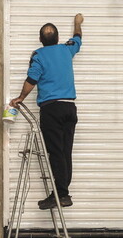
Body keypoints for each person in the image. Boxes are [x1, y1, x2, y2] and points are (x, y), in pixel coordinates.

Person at [10, 13, 84, 210]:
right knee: (65, 152)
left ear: (41, 40)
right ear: (58, 38)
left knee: (56, 152)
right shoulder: (67, 49)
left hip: (52, 109)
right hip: (69, 107)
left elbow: (32, 80)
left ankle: (61, 194)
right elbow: (78, 38)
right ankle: (63, 193)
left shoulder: (39, 55)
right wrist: (77, 23)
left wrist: (20, 98)